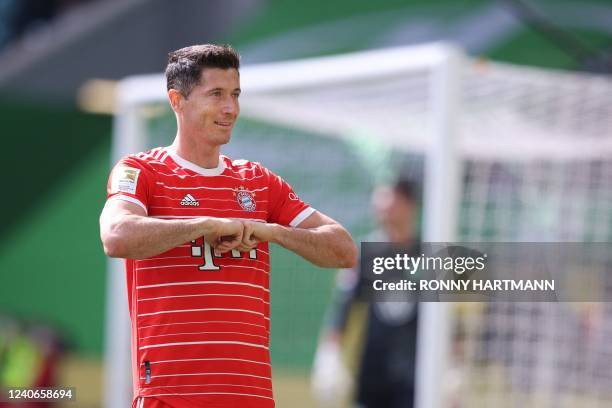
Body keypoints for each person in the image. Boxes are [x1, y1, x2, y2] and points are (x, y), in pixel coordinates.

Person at [99, 44, 357, 408]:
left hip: (250, 398)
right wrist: (205, 224)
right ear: (178, 100)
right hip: (172, 397)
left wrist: (272, 231)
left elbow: (344, 249)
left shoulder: (258, 181)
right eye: (216, 95)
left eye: (235, 95)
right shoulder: (142, 171)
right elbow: (116, 236)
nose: (230, 108)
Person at [312, 179, 420, 408]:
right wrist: (329, 356)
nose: (383, 212)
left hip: (416, 376)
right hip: (373, 375)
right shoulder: (365, 255)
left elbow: (444, 318)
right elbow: (344, 307)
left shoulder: (427, 257)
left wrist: (452, 365)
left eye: (391, 205)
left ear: (409, 205)